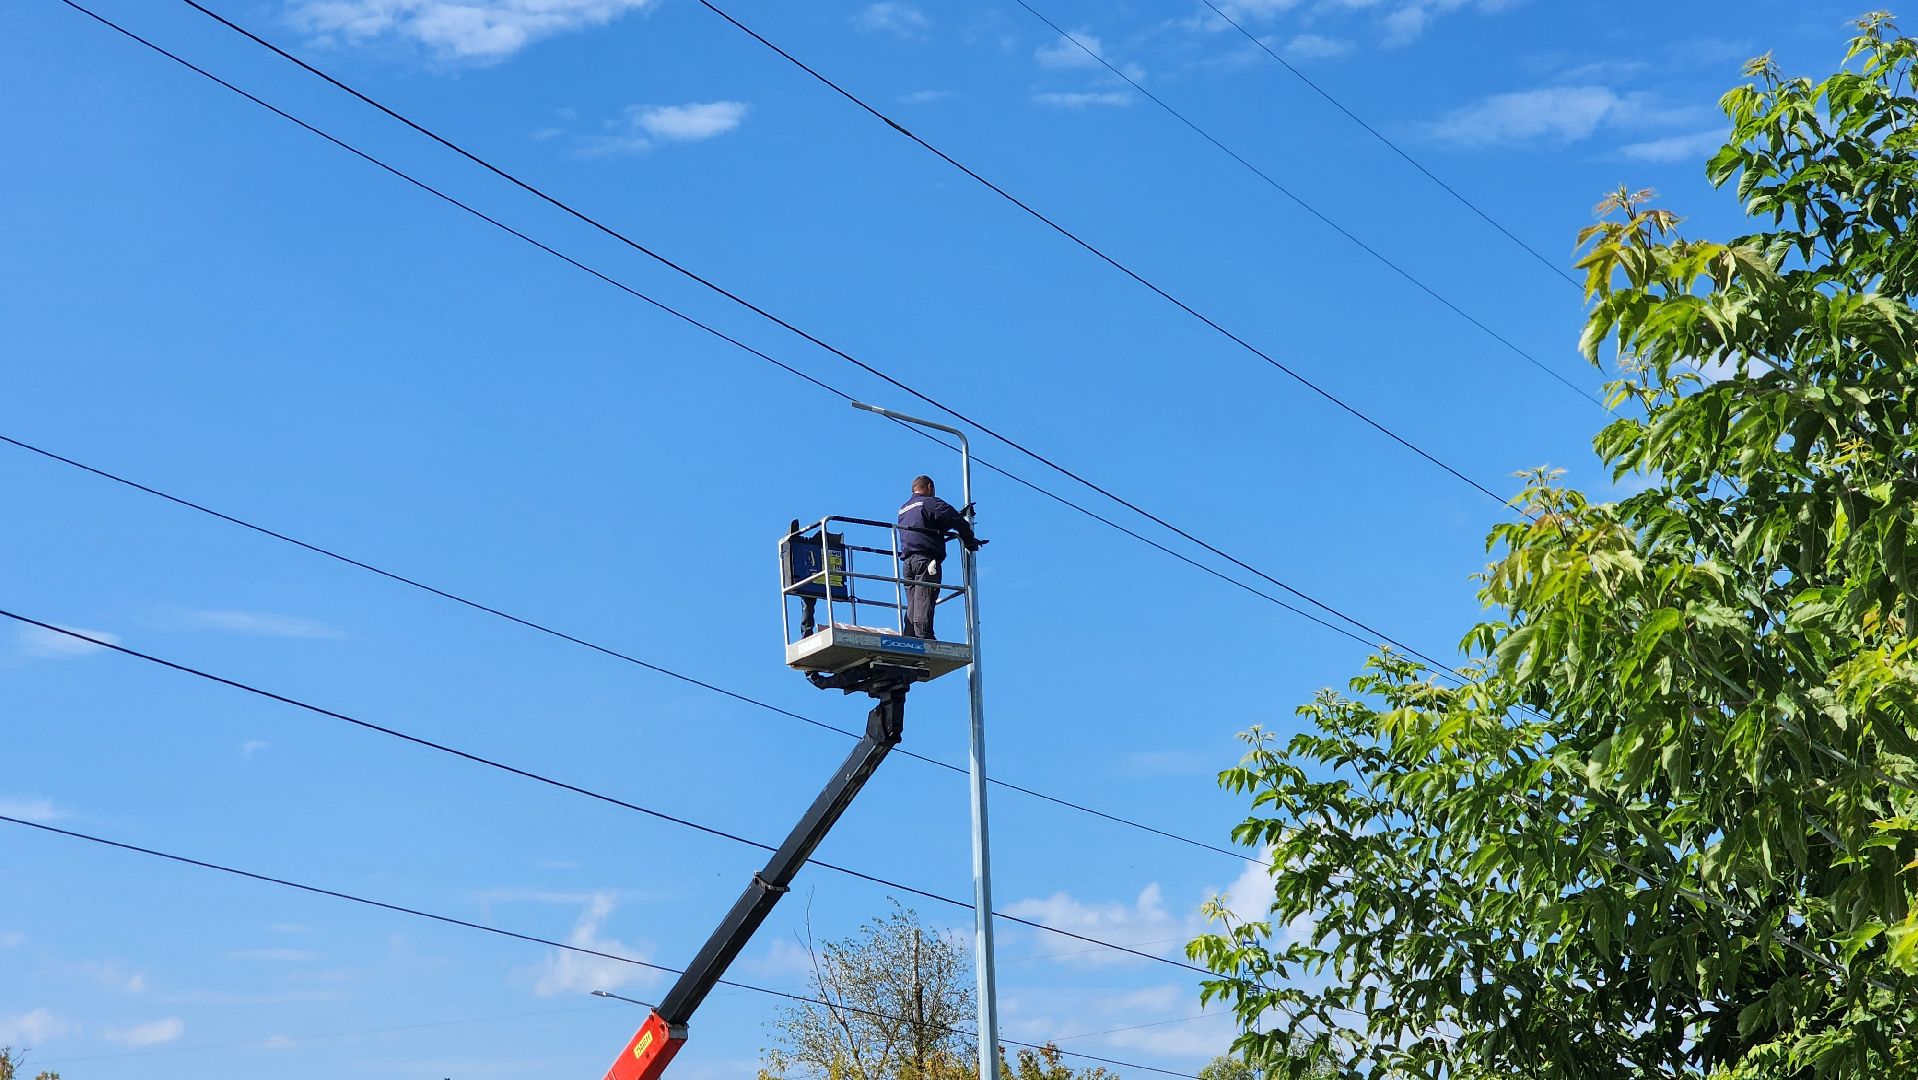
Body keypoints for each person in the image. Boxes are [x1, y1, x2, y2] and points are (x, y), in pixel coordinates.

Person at [896, 475, 985, 640]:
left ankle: (910, 636)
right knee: (924, 597)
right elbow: (956, 520)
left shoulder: (904, 508)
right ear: (929, 487)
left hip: (907, 562)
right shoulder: (930, 502)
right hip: (926, 560)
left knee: (913, 600)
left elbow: (924, 524)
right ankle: (924, 637)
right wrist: (969, 541)